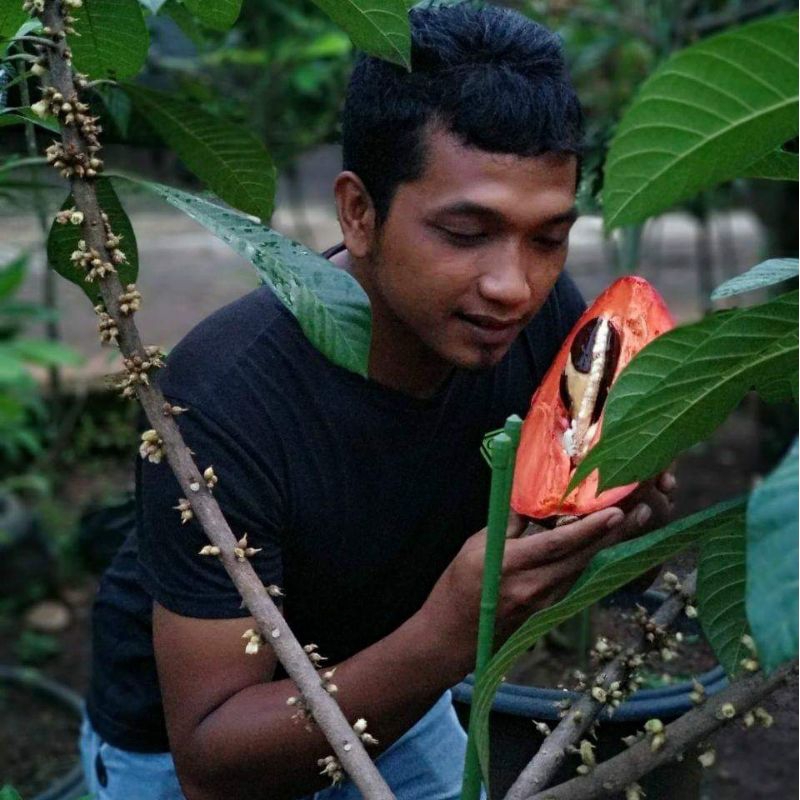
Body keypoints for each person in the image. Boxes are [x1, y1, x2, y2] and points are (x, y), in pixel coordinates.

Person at [79, 4, 673, 799]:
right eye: (466, 233)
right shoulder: (226, 397)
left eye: (548, 237)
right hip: (190, 746)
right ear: (359, 213)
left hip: (398, 690)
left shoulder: (541, 323)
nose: (515, 285)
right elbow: (210, 761)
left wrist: (617, 488)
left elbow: (569, 469)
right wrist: (449, 632)